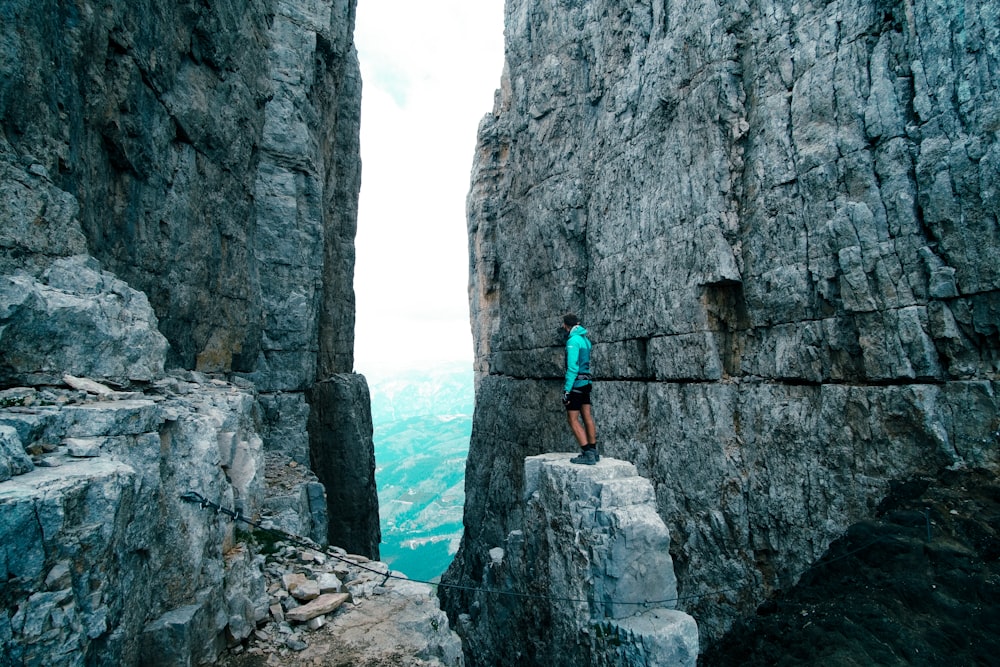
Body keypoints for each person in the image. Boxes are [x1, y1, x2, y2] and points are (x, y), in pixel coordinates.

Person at [560, 313, 598, 464]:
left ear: (566, 325)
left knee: (572, 419)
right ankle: (593, 451)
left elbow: (572, 367)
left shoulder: (573, 341)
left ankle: (587, 453)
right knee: (587, 416)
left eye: (563, 324)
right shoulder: (585, 340)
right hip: (586, 383)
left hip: (576, 385)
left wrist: (567, 390)